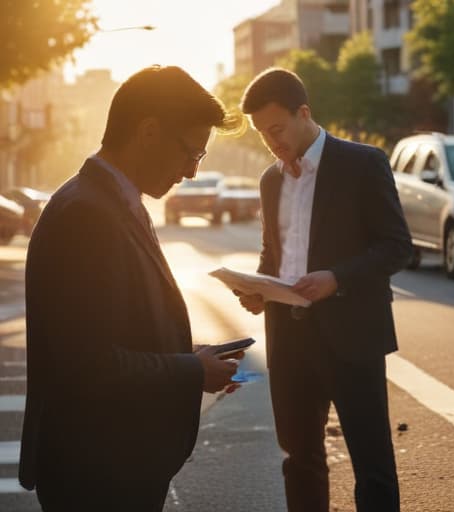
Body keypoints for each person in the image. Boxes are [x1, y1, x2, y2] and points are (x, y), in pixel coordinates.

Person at [19, 65, 241, 512]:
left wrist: (192, 357)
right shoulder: (86, 214)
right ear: (149, 131)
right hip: (98, 470)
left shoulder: (110, 201)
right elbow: (88, 365)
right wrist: (191, 371)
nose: (191, 173)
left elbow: (116, 329)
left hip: (115, 463)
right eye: (192, 155)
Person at [237, 68, 412, 512]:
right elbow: (271, 253)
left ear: (304, 113)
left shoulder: (363, 163)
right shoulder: (269, 180)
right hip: (290, 341)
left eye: (276, 129)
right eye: (262, 134)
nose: (271, 141)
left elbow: (396, 247)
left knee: (372, 464)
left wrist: (336, 277)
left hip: (352, 336)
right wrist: (257, 288)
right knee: (300, 462)